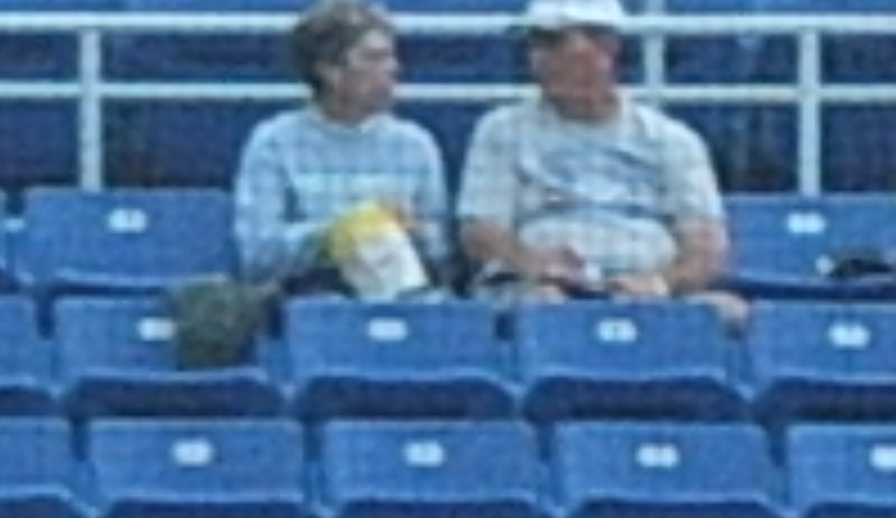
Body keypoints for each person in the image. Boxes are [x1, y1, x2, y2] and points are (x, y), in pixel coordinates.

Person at [455, 0, 745, 326]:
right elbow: (480, 231)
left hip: (648, 285)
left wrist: (662, 282)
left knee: (728, 312)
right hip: (539, 285)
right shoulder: (501, 130)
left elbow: (706, 245)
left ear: (606, 45)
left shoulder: (672, 139)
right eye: (534, 44)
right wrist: (534, 263)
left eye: (552, 42)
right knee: (542, 306)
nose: (537, 58)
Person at [234, 2, 452, 295]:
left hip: (401, 296)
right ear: (329, 71)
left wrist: (414, 232)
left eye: (392, 57)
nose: (393, 68)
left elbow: (441, 251)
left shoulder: (416, 144)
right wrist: (335, 236)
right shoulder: (273, 143)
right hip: (307, 299)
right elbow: (257, 256)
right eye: (374, 58)